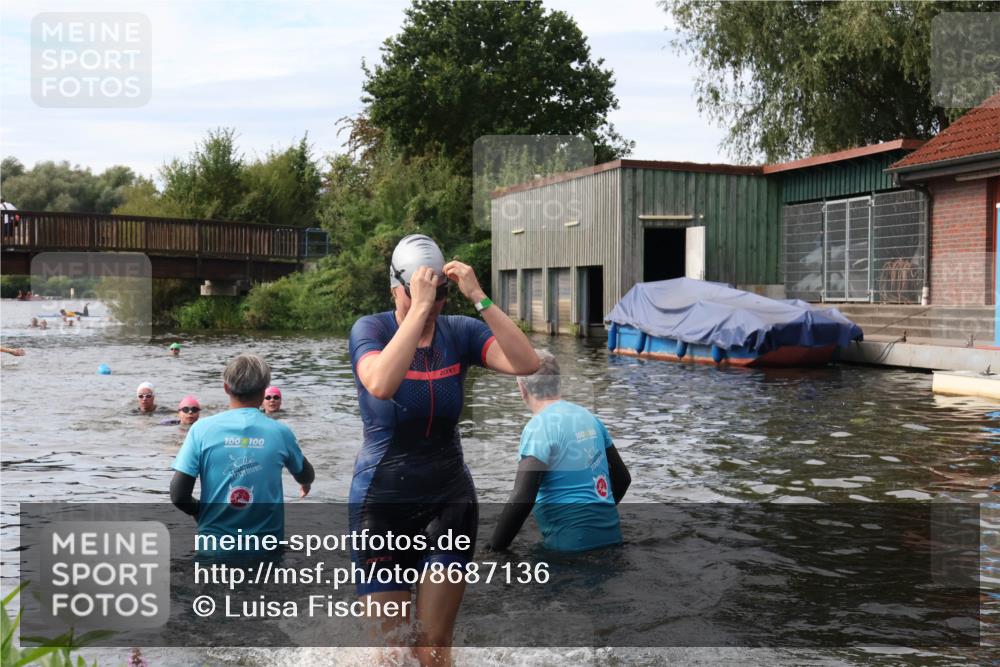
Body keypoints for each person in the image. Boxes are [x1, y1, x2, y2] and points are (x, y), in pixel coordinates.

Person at [348, 234, 539, 665]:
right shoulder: (371, 329)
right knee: (392, 654)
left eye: (439, 294)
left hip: (448, 501)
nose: (433, 303)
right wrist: (416, 310)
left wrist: (478, 296)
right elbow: (380, 383)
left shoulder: (461, 332)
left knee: (433, 648)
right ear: (396, 287)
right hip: (382, 504)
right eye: (420, 291)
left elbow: (526, 363)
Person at [487, 350, 631, 553]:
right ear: (558, 383)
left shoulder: (538, 427)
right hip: (612, 540)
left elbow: (522, 497)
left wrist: (494, 548)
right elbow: (623, 479)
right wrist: (593, 519)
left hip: (568, 548)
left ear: (522, 389)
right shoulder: (589, 418)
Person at [169, 354, 315, 549]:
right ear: (264, 392)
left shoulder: (201, 430)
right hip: (266, 548)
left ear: (226, 388)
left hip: (215, 547)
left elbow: (179, 495)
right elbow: (306, 473)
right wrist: (305, 482)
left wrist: (202, 513)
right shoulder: (281, 432)